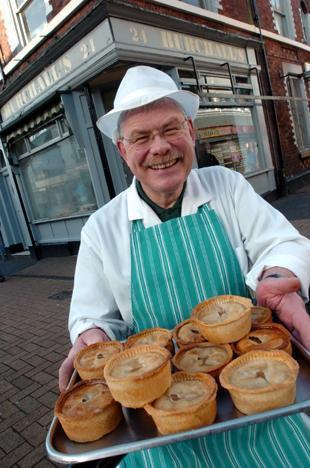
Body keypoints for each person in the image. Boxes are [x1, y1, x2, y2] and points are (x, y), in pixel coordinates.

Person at [59, 66, 310, 467]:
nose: (159, 147)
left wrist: (277, 279)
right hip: (161, 426)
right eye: (141, 137)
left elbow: (281, 242)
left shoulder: (226, 186)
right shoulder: (101, 228)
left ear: (191, 132)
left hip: (256, 405)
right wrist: (89, 336)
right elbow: (94, 316)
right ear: (123, 152)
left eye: (171, 129)